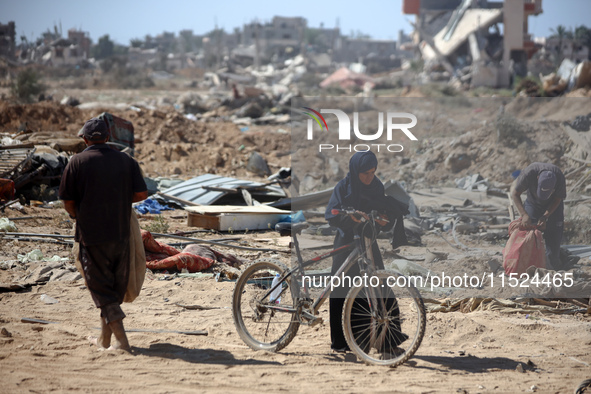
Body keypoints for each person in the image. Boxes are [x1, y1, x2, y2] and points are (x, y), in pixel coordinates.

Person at [59, 118, 148, 351]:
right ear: (108, 138)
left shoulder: (77, 162)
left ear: (85, 140)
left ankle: (122, 343)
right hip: (121, 234)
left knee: (101, 290)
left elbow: (67, 201)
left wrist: (77, 214)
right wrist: (118, 199)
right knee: (112, 289)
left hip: (92, 236)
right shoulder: (126, 160)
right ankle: (104, 340)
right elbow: (141, 194)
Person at [324, 151, 408, 353]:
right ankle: (342, 343)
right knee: (341, 289)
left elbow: (382, 215)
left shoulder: (377, 186)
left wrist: (382, 220)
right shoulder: (343, 187)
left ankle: (387, 342)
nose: (369, 177)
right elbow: (331, 214)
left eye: (373, 172)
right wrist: (350, 217)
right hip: (346, 242)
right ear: (355, 171)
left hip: (367, 242)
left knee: (379, 286)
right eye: (365, 173)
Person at [510, 162, 566, 270]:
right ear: (537, 178)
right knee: (528, 233)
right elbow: (515, 194)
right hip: (533, 203)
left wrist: (545, 216)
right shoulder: (529, 173)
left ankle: (554, 264)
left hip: (553, 204)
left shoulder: (559, 177)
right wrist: (524, 214)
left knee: (554, 234)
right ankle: (527, 266)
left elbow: (558, 199)